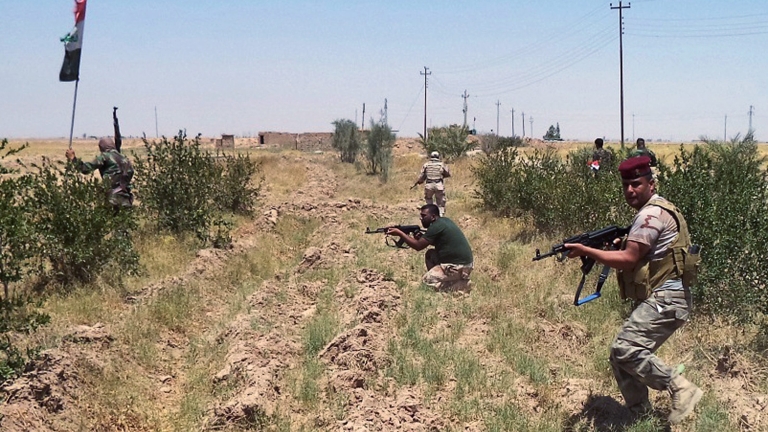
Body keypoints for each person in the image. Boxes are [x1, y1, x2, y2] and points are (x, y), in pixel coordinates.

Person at [565, 156, 702, 424]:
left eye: (636, 184)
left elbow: (629, 259)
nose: (630, 190)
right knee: (621, 357)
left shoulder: (650, 215)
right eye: (626, 185)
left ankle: (679, 386)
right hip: (667, 297)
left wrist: (585, 250)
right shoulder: (659, 209)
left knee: (625, 348)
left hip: (667, 297)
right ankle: (642, 417)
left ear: (651, 184)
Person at [387, 204, 473, 292]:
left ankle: (460, 286)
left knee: (426, 282)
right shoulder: (444, 221)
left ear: (433, 217)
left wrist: (400, 233)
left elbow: (418, 246)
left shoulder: (436, 226)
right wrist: (421, 237)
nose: (421, 218)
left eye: (424, 216)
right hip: (463, 264)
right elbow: (437, 241)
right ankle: (447, 279)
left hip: (458, 266)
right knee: (430, 254)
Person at [65, 137, 134, 209]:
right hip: (126, 199)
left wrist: (73, 158)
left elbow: (85, 169)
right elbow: (131, 172)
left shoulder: (104, 156)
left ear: (101, 148)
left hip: (112, 199)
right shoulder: (125, 158)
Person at [414, 151, 451, 216]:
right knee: (440, 202)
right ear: (438, 156)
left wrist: (420, 181)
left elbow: (422, 176)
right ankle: (440, 215)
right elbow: (448, 173)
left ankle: (430, 213)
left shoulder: (426, 164)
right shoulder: (441, 164)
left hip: (429, 185)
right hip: (439, 184)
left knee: (428, 199)